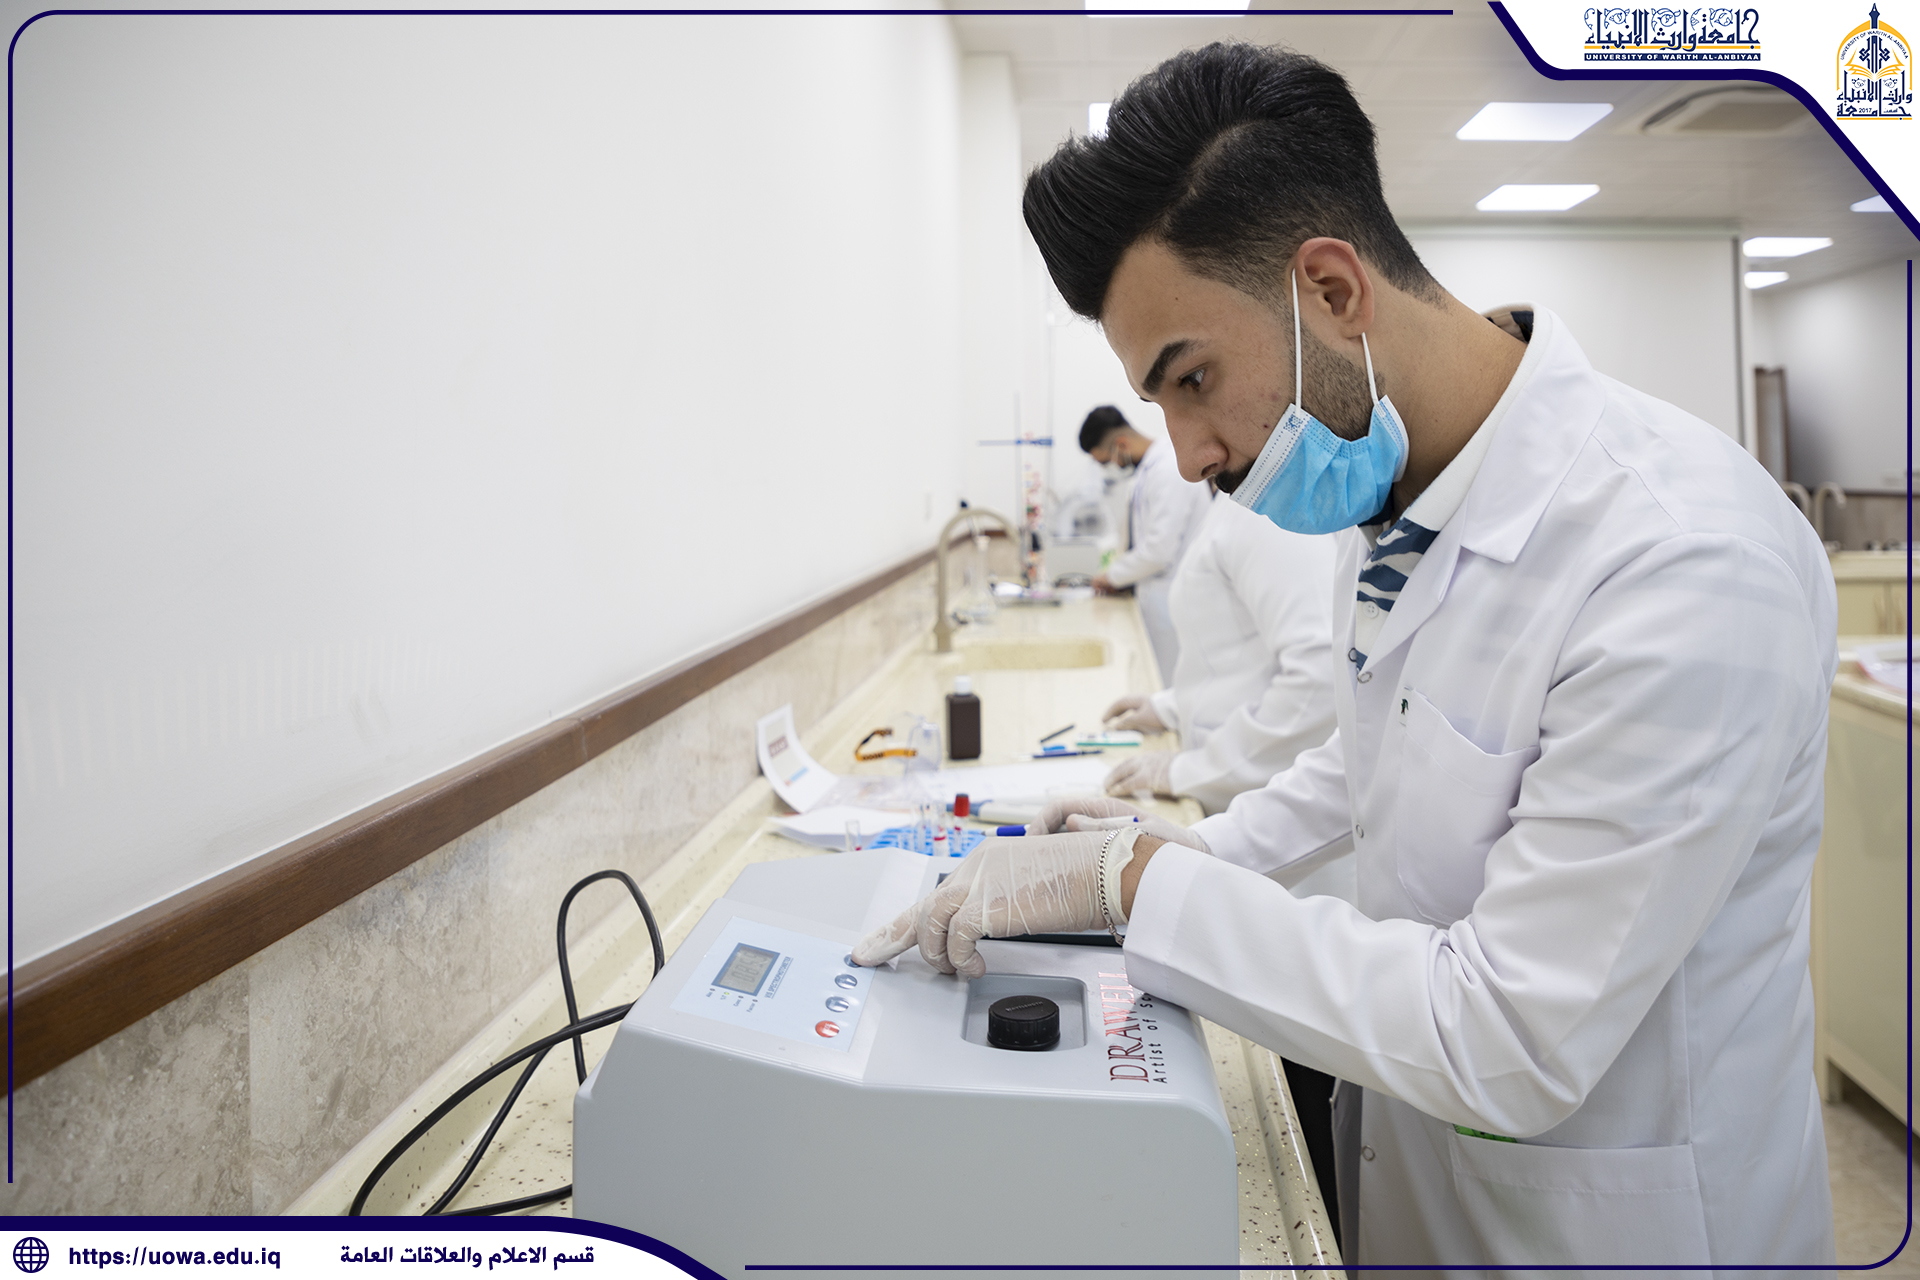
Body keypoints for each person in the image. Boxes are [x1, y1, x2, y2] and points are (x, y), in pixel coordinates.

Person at [855, 43, 1837, 1273]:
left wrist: (1140, 884)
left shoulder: (1684, 559)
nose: (1191, 455)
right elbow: (1375, 765)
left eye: (1194, 378)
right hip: (1433, 1190)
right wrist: (1179, 848)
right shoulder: (1394, 484)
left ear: (1330, 290)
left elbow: (1510, 1036)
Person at [1100, 495, 1337, 820]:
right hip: (1232, 793)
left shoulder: (1269, 516)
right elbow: (1240, 652)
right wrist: (1171, 707)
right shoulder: (1234, 503)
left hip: (1267, 803)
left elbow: (1321, 676)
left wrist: (1191, 771)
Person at [1079, 405, 1210, 683]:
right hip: (1159, 599)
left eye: (1107, 461)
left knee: (1172, 684)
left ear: (1121, 444)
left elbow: (1158, 551)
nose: (1111, 469)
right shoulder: (1148, 472)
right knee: (1157, 682)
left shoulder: (1170, 470)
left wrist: (1110, 576)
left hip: (1176, 601)